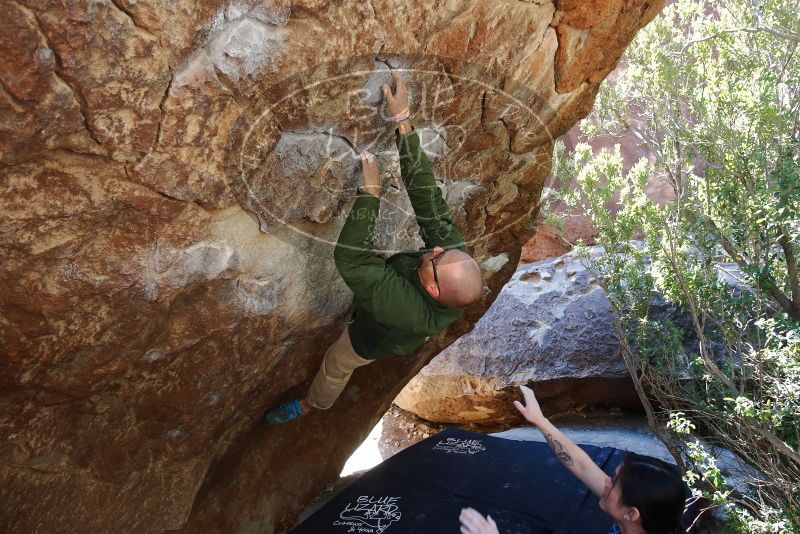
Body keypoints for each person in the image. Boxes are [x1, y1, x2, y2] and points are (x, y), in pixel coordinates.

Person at [265, 70, 483, 425]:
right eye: (443, 251)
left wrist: (371, 194)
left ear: (431, 288)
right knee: (379, 282)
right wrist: (403, 120)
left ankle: (310, 405)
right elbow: (428, 200)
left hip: (374, 337)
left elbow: (352, 257)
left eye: (435, 257)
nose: (435, 249)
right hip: (394, 294)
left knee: (337, 363)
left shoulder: (407, 311)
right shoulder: (450, 262)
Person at [459, 386, 686, 534]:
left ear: (631, 514)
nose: (606, 481)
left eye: (614, 481)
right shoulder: (643, 522)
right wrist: (540, 420)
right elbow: (582, 465)